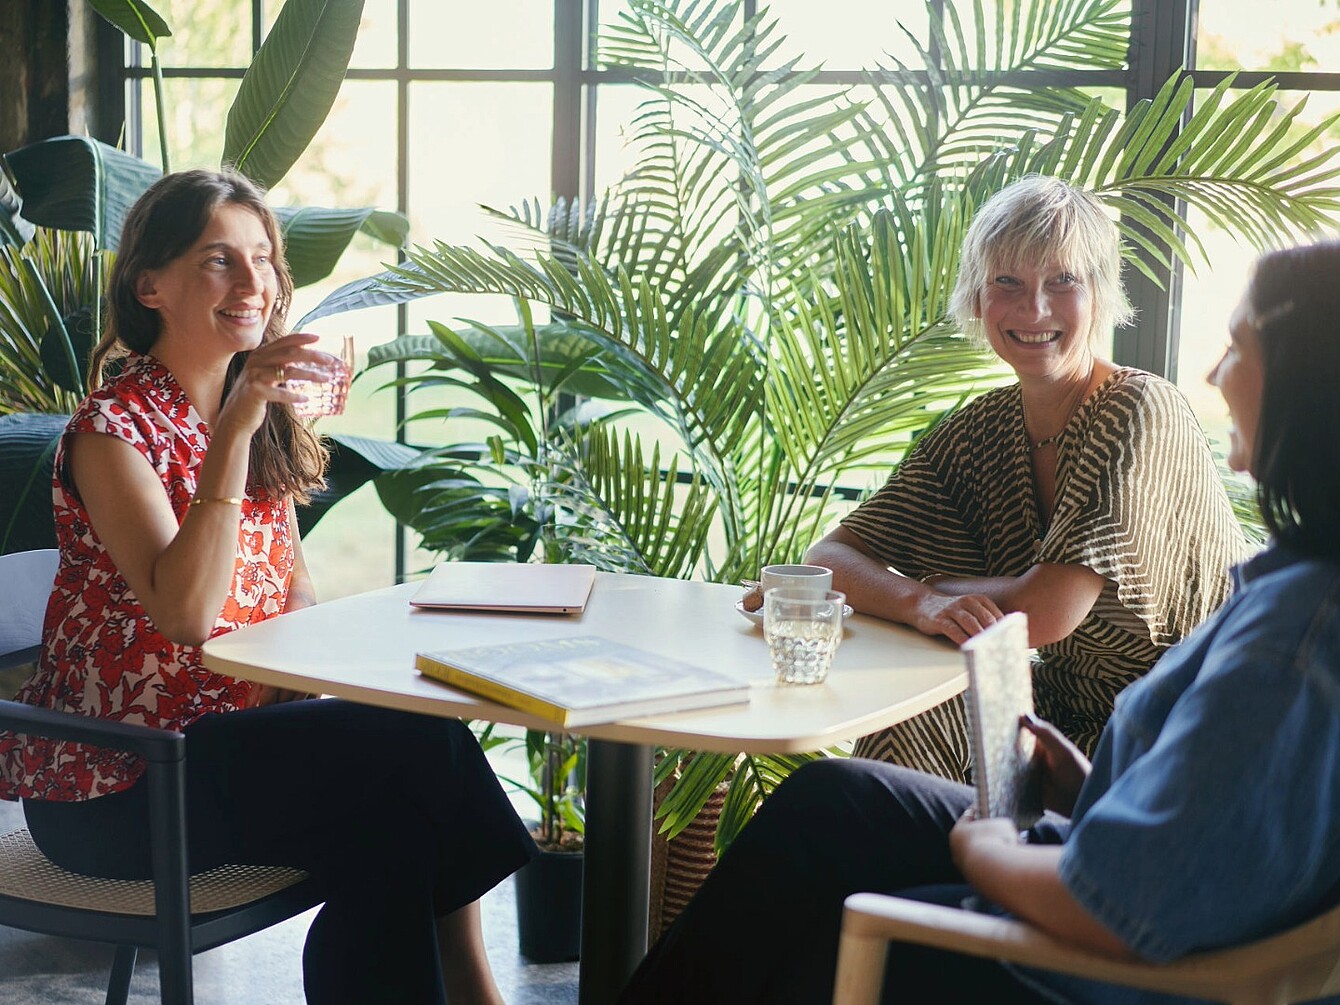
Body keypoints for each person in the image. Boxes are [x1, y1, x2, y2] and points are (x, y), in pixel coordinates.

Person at [616, 240, 1340, 1004]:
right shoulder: (1298, 592)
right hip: (1102, 832)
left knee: (815, 919)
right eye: (1007, 283)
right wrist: (1086, 787)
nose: (1212, 372)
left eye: (1237, 345)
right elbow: (1228, 807)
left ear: (1306, 382)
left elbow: (1116, 908)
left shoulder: (1290, 641)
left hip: (1093, 970)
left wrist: (988, 847)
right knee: (833, 803)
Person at [0, 170, 536, 1005]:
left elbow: (293, 604)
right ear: (152, 284)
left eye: (264, 259)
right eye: (219, 260)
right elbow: (185, 612)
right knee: (412, 766)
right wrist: (238, 425)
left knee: (397, 810)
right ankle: (477, 995)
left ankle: (466, 992)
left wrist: (380, 669)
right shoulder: (112, 431)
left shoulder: (263, 424)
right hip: (121, 786)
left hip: (233, 751)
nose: (254, 284)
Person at [807, 175, 1248, 777]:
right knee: (875, 760)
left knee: (851, 798)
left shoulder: (1141, 409)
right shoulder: (980, 431)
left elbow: (1047, 611)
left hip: (1174, 745)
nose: (1034, 309)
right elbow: (828, 559)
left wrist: (931, 586)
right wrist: (919, 600)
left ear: (1098, 292)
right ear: (977, 297)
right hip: (1057, 725)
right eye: (1007, 282)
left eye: (1062, 280)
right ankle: (906, 869)